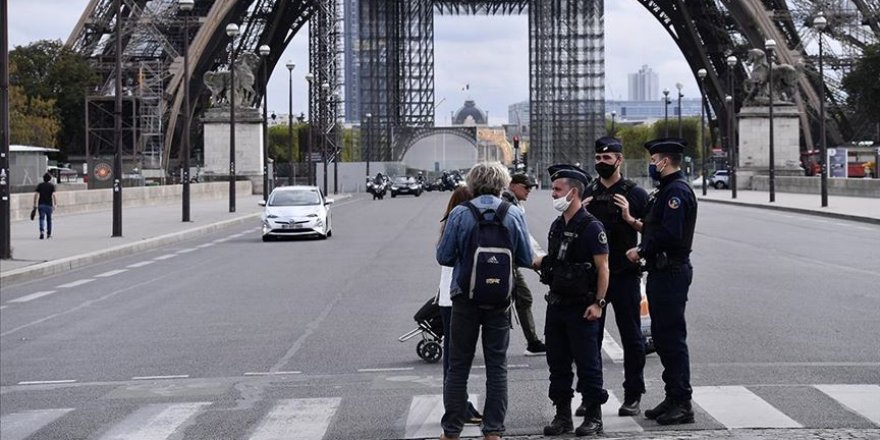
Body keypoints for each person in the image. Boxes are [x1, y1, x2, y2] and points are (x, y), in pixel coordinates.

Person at [436, 162, 533, 440]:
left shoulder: (459, 213)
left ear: (472, 184)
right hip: (500, 300)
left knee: (458, 366)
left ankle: (451, 431)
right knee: (497, 366)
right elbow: (525, 257)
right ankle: (493, 431)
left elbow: (444, 257)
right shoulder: (512, 213)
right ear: (503, 184)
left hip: (464, 299)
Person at [625, 138, 698, 426]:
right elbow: (657, 226)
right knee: (664, 336)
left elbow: (670, 233)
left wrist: (641, 249)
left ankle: (682, 402)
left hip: (671, 271)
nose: (652, 164)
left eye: (654, 159)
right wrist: (634, 222)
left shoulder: (676, 192)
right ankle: (673, 396)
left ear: (665, 161)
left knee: (671, 338)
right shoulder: (666, 190)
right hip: (662, 270)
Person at [535, 164, 609, 437]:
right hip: (557, 305)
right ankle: (562, 416)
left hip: (582, 307)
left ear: (573, 191)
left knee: (588, 365)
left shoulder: (591, 227)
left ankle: (593, 416)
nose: (553, 194)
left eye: (557, 189)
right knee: (558, 364)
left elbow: (603, 268)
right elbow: (556, 261)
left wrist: (598, 303)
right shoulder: (557, 226)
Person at [581, 136, 650, 417]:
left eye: (607, 159)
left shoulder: (635, 193)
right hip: (594, 277)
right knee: (589, 339)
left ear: (619, 160)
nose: (601, 163)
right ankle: (590, 394)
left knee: (632, 338)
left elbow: (652, 231)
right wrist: (580, 213)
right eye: (598, 159)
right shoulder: (588, 191)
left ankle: (633, 394)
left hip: (623, 275)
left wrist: (630, 218)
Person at [437, 186, 482, 426]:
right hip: (454, 297)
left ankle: (460, 405)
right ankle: (456, 408)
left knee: (456, 358)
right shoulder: (461, 225)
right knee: (455, 359)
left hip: (448, 296)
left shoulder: (449, 223)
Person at [501, 173, 546, 356]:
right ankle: (532, 342)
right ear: (513, 185)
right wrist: (530, 261)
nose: (529, 191)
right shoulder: (510, 206)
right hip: (506, 262)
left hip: (503, 261)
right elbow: (518, 238)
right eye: (526, 187)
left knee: (518, 299)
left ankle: (532, 341)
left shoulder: (512, 203)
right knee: (520, 298)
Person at [33, 172, 57, 240]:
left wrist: (34, 204)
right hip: (49, 205)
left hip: (41, 204)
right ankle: (49, 234)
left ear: (43, 179)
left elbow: (36, 195)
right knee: (49, 220)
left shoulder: (40, 185)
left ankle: (42, 232)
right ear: (50, 179)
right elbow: (54, 195)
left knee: (41, 219)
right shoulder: (52, 186)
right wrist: (55, 204)